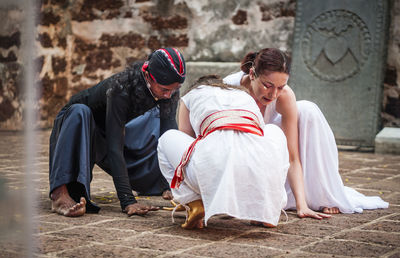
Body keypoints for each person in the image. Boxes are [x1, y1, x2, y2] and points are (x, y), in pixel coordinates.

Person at [223, 48, 389, 219]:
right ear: (252, 74)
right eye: (267, 85)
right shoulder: (230, 89)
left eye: (281, 87)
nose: (273, 94)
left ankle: (320, 194)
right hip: (245, 155)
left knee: (308, 109)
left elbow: (292, 157)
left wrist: (302, 205)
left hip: (276, 154)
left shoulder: (285, 96)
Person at [49, 47, 186, 217]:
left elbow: (169, 137)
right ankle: (59, 195)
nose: (169, 95)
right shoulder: (120, 89)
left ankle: (159, 183)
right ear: (149, 77)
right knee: (80, 111)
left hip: (106, 129)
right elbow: (115, 147)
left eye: (175, 89)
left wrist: (171, 184)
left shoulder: (168, 91)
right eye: (165, 90)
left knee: (158, 122)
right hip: (77, 125)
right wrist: (127, 200)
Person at [157, 76, 290, 229]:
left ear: (196, 86)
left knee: (166, 139)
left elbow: (187, 141)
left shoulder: (190, 96)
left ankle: (193, 203)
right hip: (258, 174)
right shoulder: (245, 96)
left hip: (214, 170)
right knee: (273, 132)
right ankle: (268, 210)